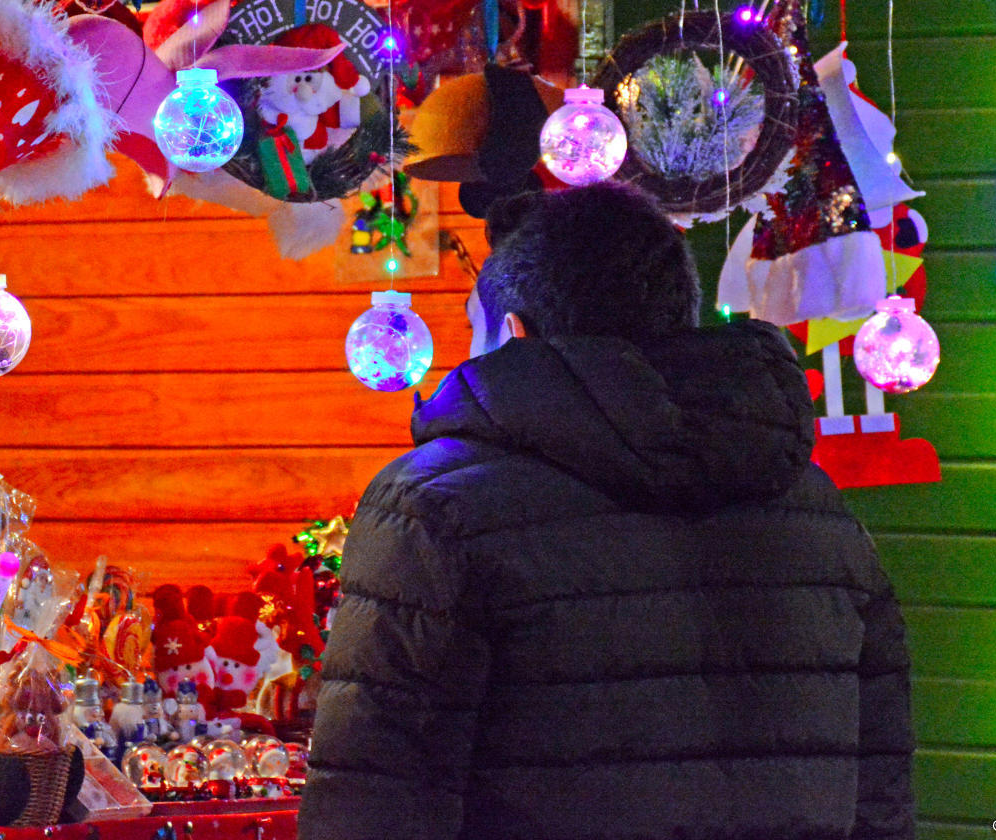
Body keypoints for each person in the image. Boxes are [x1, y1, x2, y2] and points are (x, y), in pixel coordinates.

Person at [299, 182, 912, 840]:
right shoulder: (816, 509)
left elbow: (375, 802)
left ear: (512, 333)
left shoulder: (436, 508)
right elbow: (882, 795)